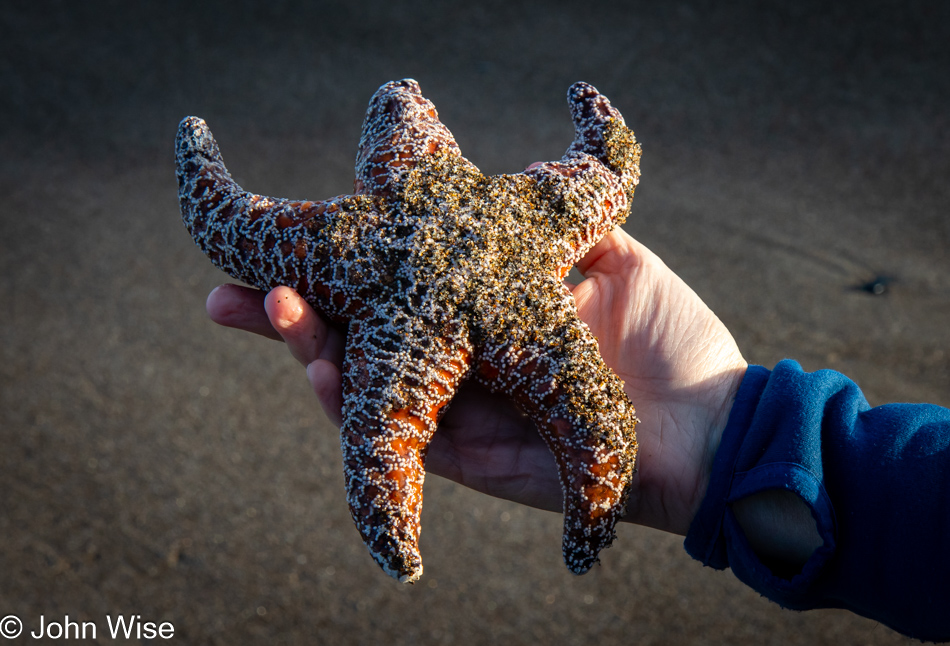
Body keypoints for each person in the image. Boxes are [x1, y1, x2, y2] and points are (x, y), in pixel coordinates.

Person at [205, 227, 950, 642]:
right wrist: (724, 435)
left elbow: (598, 163)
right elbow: (597, 167)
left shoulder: (526, 206)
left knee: (373, 417)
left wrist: (721, 441)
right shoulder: (526, 208)